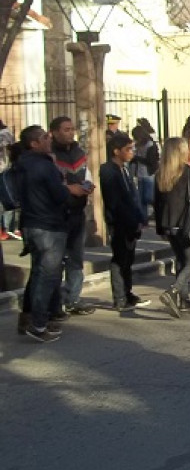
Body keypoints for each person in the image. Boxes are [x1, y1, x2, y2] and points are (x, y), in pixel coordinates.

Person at [15, 126, 93, 341]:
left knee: (39, 273)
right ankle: (38, 324)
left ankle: (29, 318)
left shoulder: (22, 163)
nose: (48, 140)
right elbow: (59, 195)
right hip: (48, 225)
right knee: (47, 276)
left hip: (31, 223)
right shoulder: (44, 165)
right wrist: (72, 189)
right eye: (44, 137)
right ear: (34, 143)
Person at [154, 137, 190, 318]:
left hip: (169, 224)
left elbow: (156, 204)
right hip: (186, 223)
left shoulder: (160, 174)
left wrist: (160, 228)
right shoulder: (188, 173)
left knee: (181, 259)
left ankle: (183, 299)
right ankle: (174, 291)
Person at [50, 116, 99, 315]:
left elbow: (85, 174)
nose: (70, 132)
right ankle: (54, 302)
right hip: (57, 214)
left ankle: (73, 298)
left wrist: (87, 186)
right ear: (54, 132)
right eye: (66, 129)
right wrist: (71, 189)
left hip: (77, 212)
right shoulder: (50, 154)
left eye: (72, 129)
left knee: (76, 259)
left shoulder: (78, 152)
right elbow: (51, 184)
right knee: (54, 261)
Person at [99, 132, 146, 311]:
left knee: (128, 259)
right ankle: (120, 297)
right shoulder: (108, 170)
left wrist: (140, 218)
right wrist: (129, 220)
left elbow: (133, 197)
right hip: (119, 222)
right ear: (116, 151)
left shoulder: (125, 169)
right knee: (120, 259)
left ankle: (128, 292)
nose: (131, 152)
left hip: (131, 221)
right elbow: (115, 201)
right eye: (128, 149)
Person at [130, 123, 159, 223]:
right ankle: (143, 218)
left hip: (149, 174)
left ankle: (156, 213)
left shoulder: (150, 145)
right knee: (141, 198)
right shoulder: (137, 145)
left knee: (149, 197)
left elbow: (151, 161)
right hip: (139, 173)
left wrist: (137, 158)